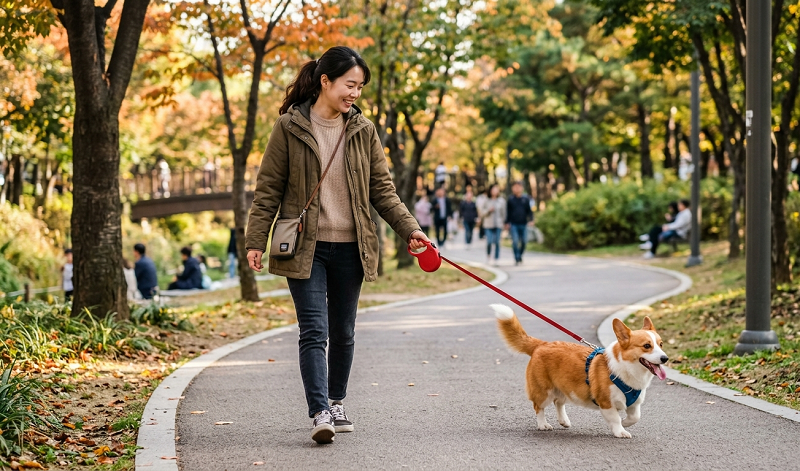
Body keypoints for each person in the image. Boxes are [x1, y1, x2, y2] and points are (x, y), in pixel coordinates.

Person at [243, 46, 430, 445]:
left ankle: (337, 399)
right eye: (350, 84)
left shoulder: (363, 131)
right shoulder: (289, 128)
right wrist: (255, 240)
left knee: (343, 331)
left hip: (351, 247)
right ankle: (319, 411)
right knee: (315, 329)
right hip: (304, 247)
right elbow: (267, 191)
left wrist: (410, 229)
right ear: (325, 81)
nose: (355, 94)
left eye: (360, 87)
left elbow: (383, 191)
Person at [505, 182, 534, 265]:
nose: (517, 189)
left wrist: (531, 220)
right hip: (513, 224)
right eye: (515, 187)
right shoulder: (510, 199)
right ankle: (516, 257)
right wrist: (507, 222)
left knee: (524, 241)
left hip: (523, 223)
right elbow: (508, 212)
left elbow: (529, 211)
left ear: (522, 188)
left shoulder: (526, 199)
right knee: (515, 241)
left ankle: (520, 255)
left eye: (518, 187)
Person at [479, 184, 506, 265]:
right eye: (493, 189)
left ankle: (496, 259)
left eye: (496, 189)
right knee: (489, 241)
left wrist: (504, 222)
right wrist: (488, 211)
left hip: (498, 225)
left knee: (497, 242)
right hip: (488, 224)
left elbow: (504, 213)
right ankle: (488, 256)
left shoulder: (501, 201)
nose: (495, 191)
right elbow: (481, 213)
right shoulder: (486, 200)